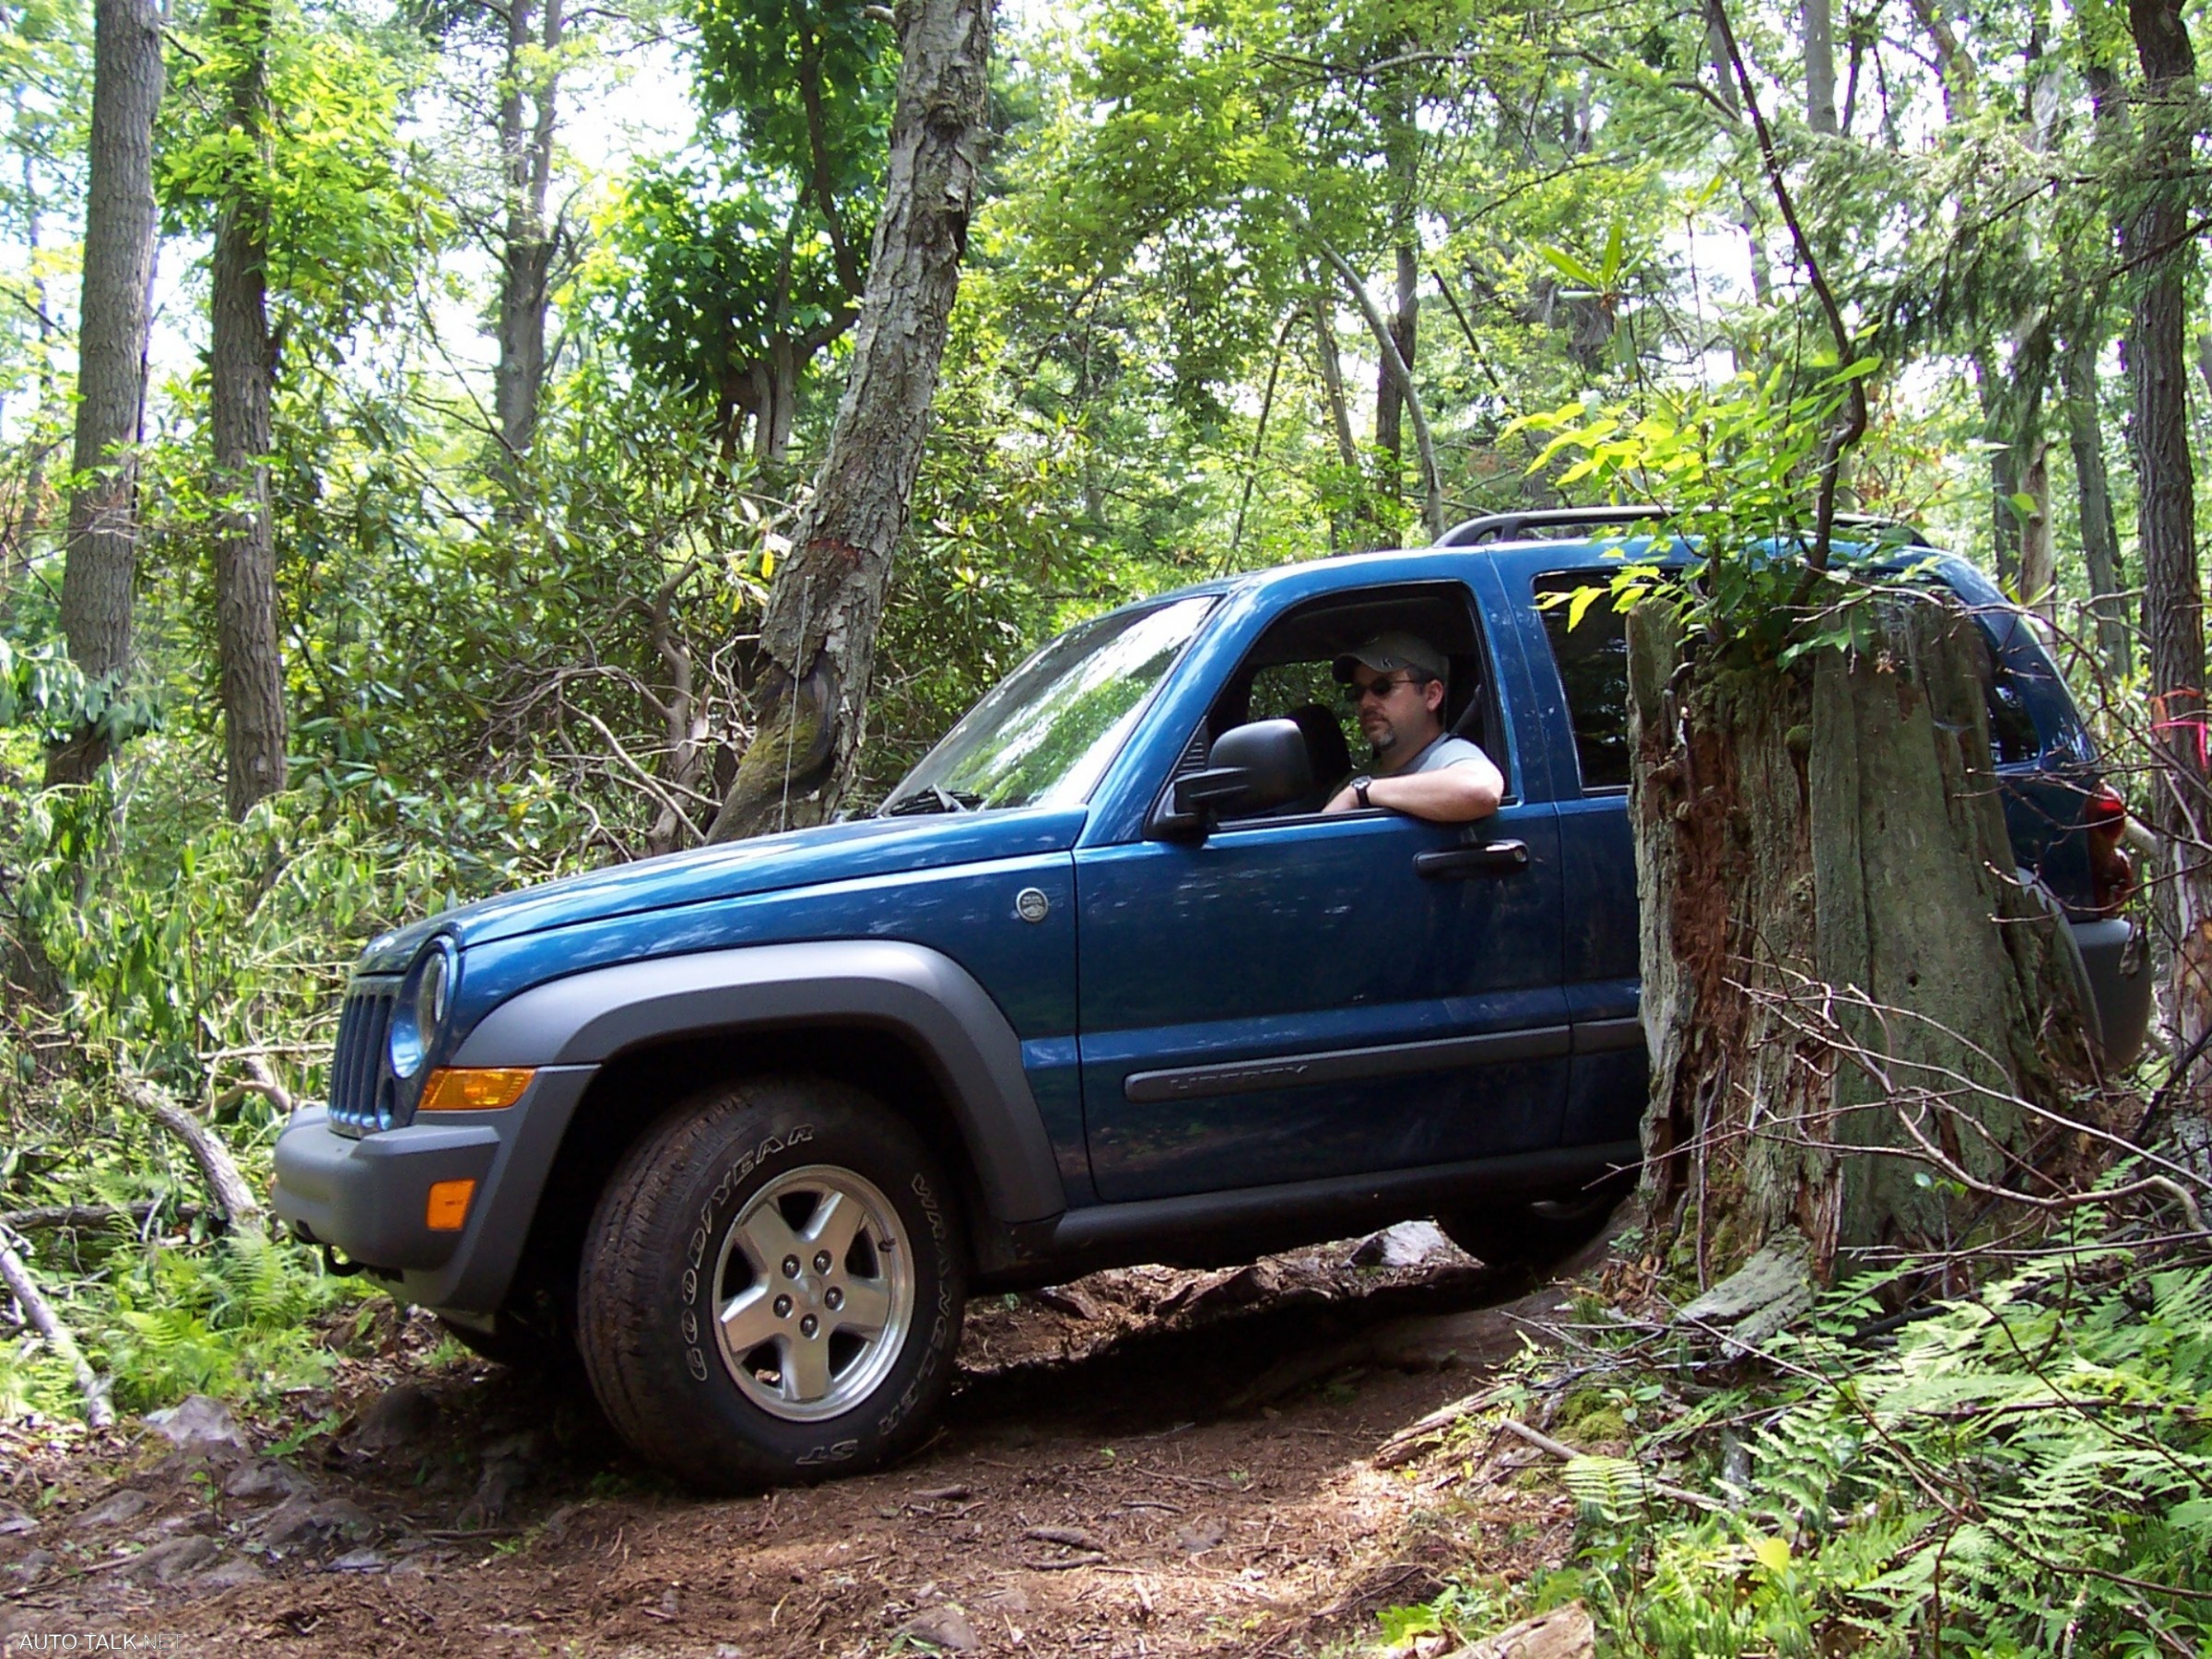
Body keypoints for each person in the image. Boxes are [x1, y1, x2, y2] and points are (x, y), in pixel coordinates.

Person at [1321, 632, 1504, 823]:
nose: (1366, 702)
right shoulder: (1354, 780)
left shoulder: (1451, 755)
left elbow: (1481, 791)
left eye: (1382, 687)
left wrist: (1361, 793)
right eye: (1357, 693)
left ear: (1432, 695)